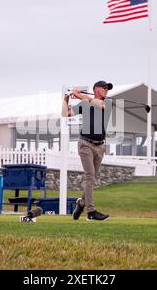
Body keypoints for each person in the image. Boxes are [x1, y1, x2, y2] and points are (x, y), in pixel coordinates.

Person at [62, 80, 113, 221]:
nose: (106, 91)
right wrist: (67, 97)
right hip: (85, 144)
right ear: (96, 89)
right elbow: (65, 114)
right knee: (90, 177)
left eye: (107, 89)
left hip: (100, 146)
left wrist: (78, 95)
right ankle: (91, 212)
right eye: (104, 88)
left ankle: (81, 203)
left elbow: (96, 103)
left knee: (92, 179)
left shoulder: (107, 103)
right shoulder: (84, 104)